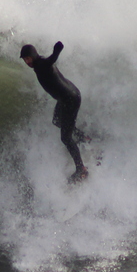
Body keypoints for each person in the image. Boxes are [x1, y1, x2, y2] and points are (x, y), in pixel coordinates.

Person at [20, 41, 88, 180]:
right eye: (25, 59)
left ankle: (81, 169)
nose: (27, 62)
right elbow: (48, 63)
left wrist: (57, 51)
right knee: (57, 121)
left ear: (33, 56)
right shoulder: (40, 62)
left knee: (65, 138)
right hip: (67, 97)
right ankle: (84, 138)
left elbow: (50, 61)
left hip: (70, 100)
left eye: (28, 58)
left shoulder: (40, 65)